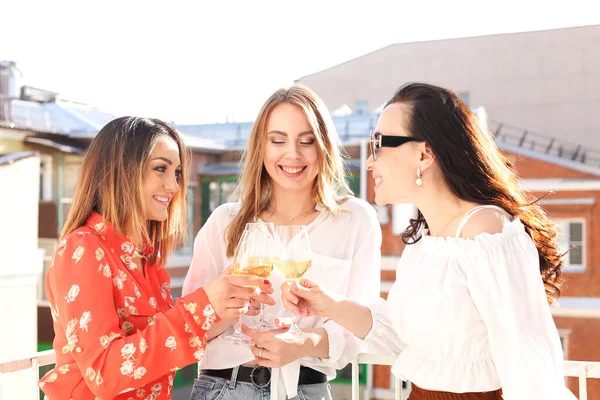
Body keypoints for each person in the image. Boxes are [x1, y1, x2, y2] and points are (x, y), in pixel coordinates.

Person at [281, 83, 578, 399]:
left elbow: (527, 361)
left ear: (423, 154)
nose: (369, 162)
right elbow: (404, 342)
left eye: (378, 144)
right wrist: (327, 302)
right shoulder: (426, 243)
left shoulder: (485, 230)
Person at [39, 117, 274, 400]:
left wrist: (224, 309)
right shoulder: (84, 250)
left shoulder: (148, 261)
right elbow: (104, 374)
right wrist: (200, 306)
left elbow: (160, 347)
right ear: (120, 171)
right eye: (160, 169)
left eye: (176, 173)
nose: (174, 186)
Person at [182, 85, 382, 400]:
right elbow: (187, 332)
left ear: (324, 147)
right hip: (224, 389)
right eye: (278, 141)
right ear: (261, 147)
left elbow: (365, 326)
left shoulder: (355, 220)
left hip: (306, 389)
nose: (293, 154)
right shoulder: (225, 222)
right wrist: (229, 310)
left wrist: (305, 343)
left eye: (307, 141)